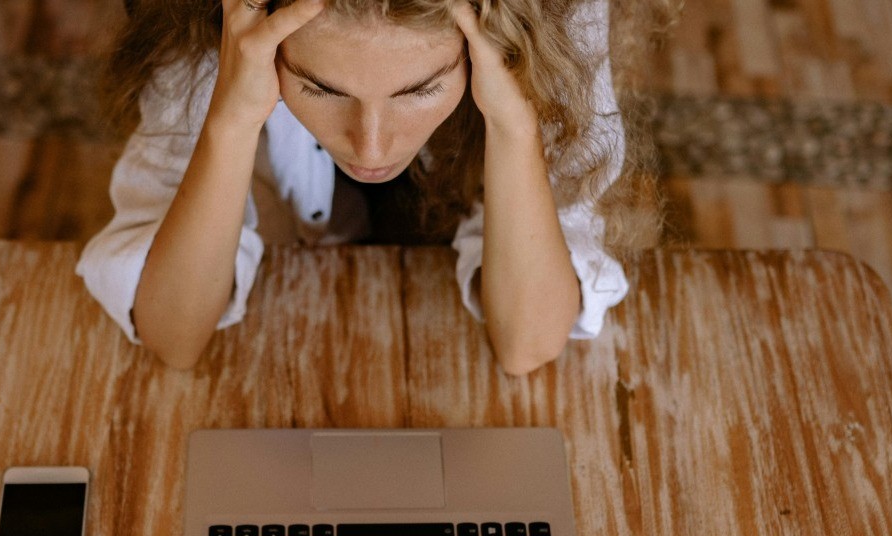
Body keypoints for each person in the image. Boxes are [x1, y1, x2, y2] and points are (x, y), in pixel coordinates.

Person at [79, 0, 640, 374]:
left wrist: (515, 126)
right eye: (321, 88)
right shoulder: (217, 16)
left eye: (420, 89)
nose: (372, 148)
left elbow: (529, 343)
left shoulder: (550, 15)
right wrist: (229, 120)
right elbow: (174, 336)